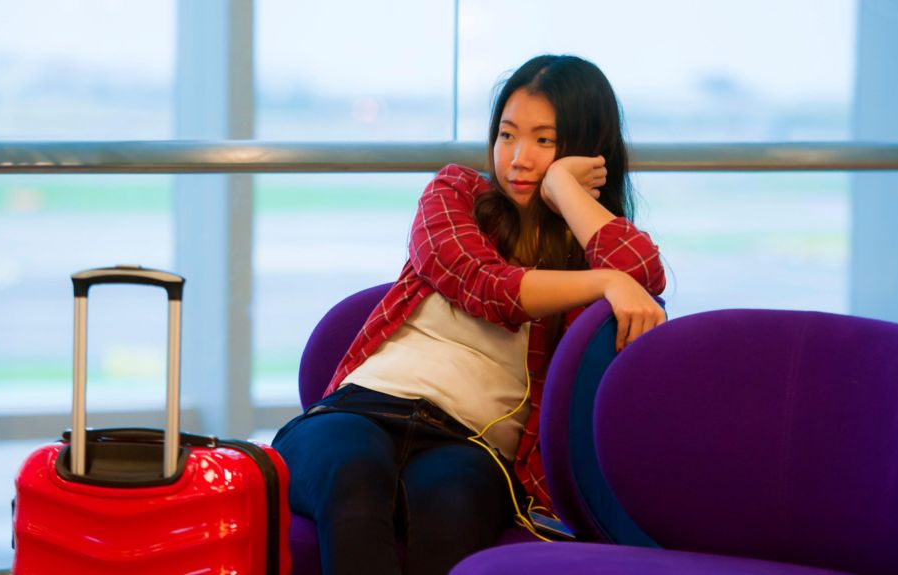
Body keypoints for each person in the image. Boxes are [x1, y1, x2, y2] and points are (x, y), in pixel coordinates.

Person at [272, 54, 666, 575]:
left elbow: (642, 277)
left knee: (450, 507)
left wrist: (566, 191)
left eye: (544, 141)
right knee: (354, 473)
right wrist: (604, 282)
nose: (519, 159)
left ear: (587, 151)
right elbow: (485, 287)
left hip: (471, 443)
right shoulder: (455, 192)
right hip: (361, 409)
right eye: (507, 135)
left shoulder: (585, 247)